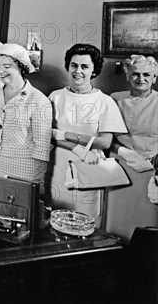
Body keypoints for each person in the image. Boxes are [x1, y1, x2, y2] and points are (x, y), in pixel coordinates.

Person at [47, 44, 127, 221]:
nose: (78, 71)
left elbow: (104, 142)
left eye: (84, 66)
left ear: (94, 70)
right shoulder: (55, 97)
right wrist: (77, 147)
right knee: (56, 220)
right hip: (56, 169)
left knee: (85, 222)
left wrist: (66, 135)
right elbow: (46, 134)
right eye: (74, 65)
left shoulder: (104, 101)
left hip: (90, 169)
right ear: (68, 67)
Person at [0, 43, 52, 189]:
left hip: (24, 172)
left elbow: (42, 147)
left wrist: (38, 184)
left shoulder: (38, 100)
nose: (1, 71)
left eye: (7, 66)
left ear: (21, 67)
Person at [106, 55, 158, 243]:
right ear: (127, 76)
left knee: (146, 228)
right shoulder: (114, 100)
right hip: (120, 169)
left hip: (151, 171)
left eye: (147, 74)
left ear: (155, 77)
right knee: (118, 226)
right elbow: (104, 139)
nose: (141, 79)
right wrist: (123, 152)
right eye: (135, 74)